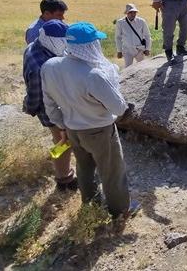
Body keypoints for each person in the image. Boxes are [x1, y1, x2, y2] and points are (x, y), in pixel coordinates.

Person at [41, 22, 140, 218]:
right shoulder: (93, 75)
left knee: (84, 169)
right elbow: (119, 107)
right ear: (90, 46)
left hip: (71, 129)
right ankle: (120, 210)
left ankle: (91, 206)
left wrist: (61, 126)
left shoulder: (50, 67)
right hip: (99, 131)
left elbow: (49, 103)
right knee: (112, 172)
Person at [22, 20, 77, 191]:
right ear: (51, 39)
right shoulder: (40, 65)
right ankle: (63, 177)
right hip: (50, 109)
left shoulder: (34, 46)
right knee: (63, 141)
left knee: (60, 140)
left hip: (53, 105)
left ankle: (62, 171)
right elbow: (36, 92)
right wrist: (30, 107)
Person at [115, 3, 152, 68]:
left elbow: (147, 36)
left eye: (134, 12)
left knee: (142, 67)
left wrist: (147, 49)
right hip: (127, 50)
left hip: (139, 49)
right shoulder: (120, 22)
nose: (133, 14)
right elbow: (118, 37)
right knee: (127, 69)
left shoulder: (141, 21)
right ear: (127, 13)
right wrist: (119, 51)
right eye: (131, 12)